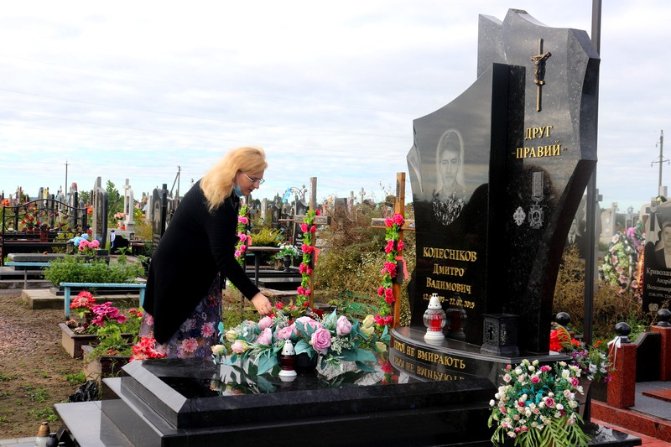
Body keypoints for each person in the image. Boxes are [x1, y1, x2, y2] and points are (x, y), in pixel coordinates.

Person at [140, 146, 273, 358]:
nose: (257, 185)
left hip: (190, 276)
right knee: (185, 354)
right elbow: (223, 257)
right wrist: (254, 294)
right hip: (180, 282)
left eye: (260, 180)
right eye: (253, 179)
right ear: (236, 171)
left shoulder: (218, 190)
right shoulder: (218, 200)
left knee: (197, 351)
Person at [432, 129, 466, 226]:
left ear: (459, 164)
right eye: (444, 162)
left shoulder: (464, 196)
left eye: (453, 162)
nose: (448, 169)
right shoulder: (435, 198)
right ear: (439, 165)